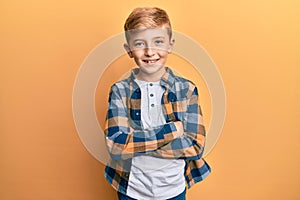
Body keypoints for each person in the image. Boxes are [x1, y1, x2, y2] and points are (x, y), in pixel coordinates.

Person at [104, 7, 211, 200]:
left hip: (173, 188)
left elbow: (195, 145)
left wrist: (136, 145)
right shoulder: (120, 91)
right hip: (131, 189)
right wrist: (171, 131)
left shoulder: (186, 90)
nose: (150, 52)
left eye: (158, 42)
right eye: (139, 43)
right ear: (128, 50)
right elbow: (116, 146)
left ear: (170, 45)